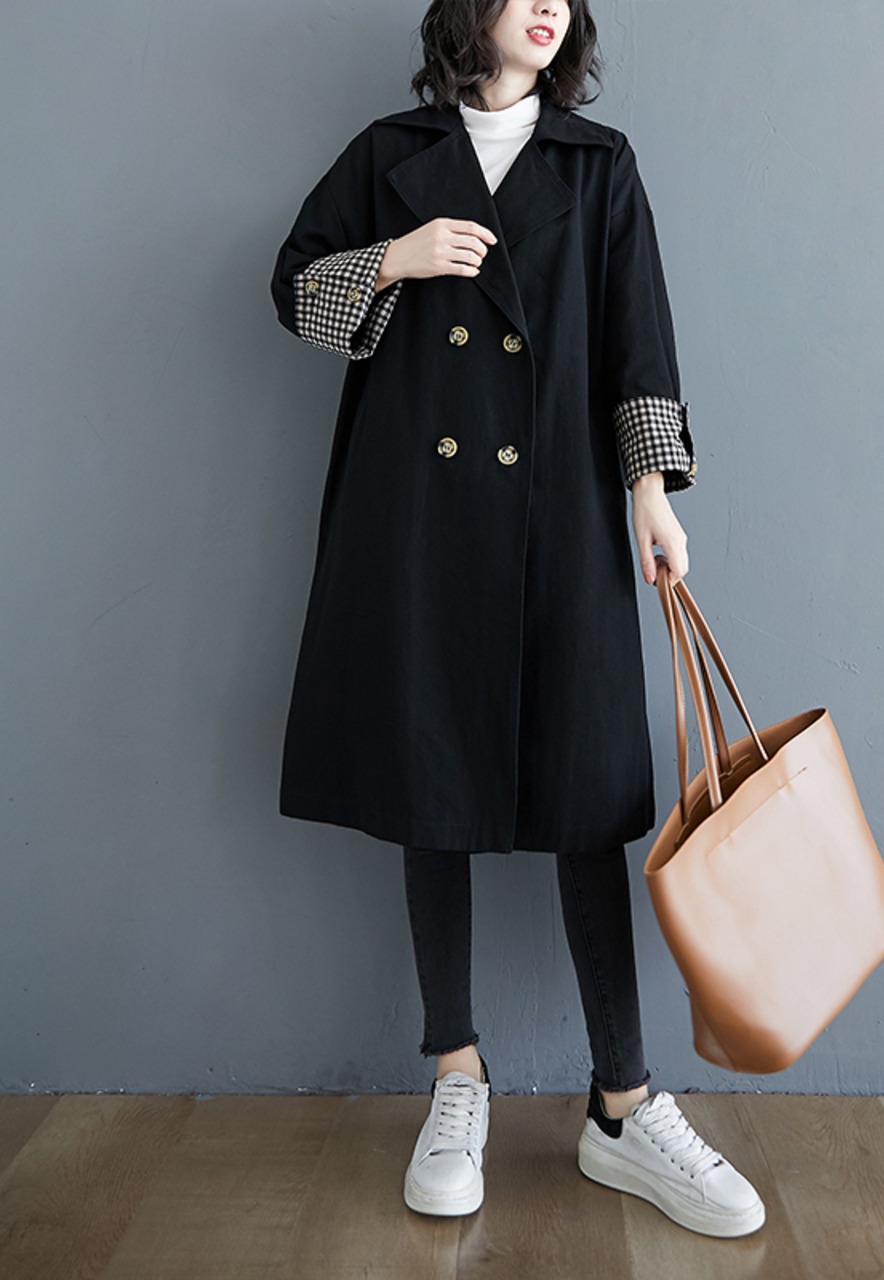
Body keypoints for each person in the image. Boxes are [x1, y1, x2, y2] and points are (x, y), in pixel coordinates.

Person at [270, 0, 765, 1239]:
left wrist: (650, 495)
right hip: (418, 515)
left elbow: (637, 340)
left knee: (585, 791)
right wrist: (394, 258)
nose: (548, 5)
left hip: (561, 513)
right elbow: (292, 289)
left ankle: (623, 1105)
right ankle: (456, 1073)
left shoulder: (597, 163)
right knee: (426, 781)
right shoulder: (392, 153)